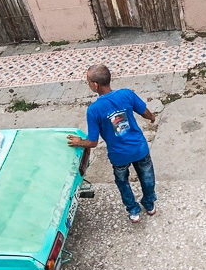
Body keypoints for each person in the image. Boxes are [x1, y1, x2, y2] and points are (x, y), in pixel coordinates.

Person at [67, 63, 157, 224]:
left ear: (95, 85)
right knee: (147, 176)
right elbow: (144, 112)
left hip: (119, 155)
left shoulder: (94, 110)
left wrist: (79, 142)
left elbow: (93, 142)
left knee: (123, 182)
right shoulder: (126, 94)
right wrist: (152, 118)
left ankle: (133, 211)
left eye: (88, 81)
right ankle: (149, 205)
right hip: (139, 148)